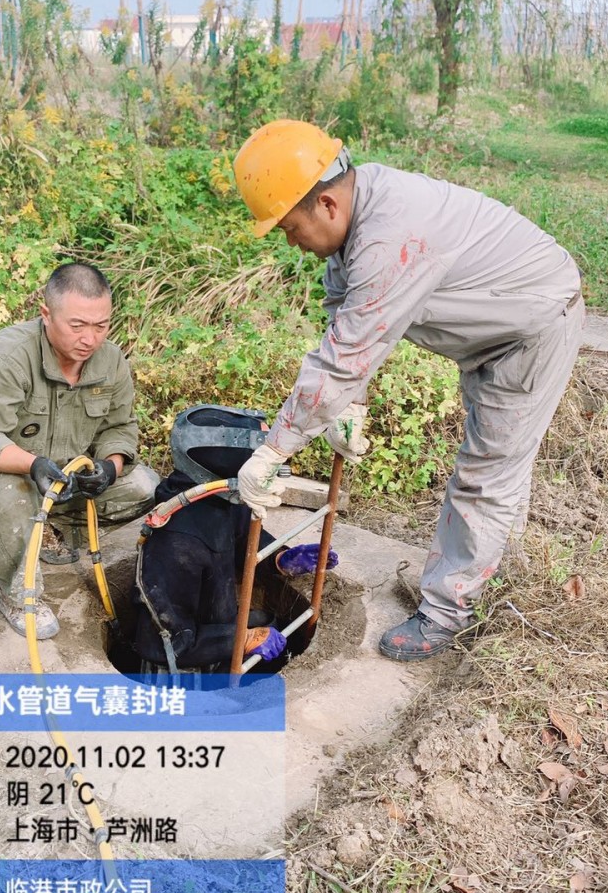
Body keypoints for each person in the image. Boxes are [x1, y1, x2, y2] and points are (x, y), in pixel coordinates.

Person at [233, 119, 585, 662]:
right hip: (493, 329)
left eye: (289, 228)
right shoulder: (353, 226)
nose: (292, 243)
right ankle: (495, 570)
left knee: (484, 476)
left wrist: (273, 450)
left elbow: (346, 353)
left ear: (326, 204)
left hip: (529, 330)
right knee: (498, 466)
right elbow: (341, 319)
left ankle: (447, 616)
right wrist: (348, 405)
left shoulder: (390, 233)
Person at [0, 263, 159, 640]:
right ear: (46, 314)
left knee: (144, 486)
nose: (90, 339)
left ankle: (64, 526)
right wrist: (32, 464)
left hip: (62, 475)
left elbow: (120, 428)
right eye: (77, 326)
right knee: (12, 494)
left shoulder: (111, 361)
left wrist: (109, 466)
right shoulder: (5, 357)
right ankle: (18, 595)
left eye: (101, 326)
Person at [130, 405, 336, 673]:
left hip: (215, 629)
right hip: (182, 670)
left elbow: (244, 537)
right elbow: (164, 642)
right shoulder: (175, 543)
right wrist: (243, 640)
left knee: (272, 623)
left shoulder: (222, 502)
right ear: (221, 456)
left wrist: (280, 558)